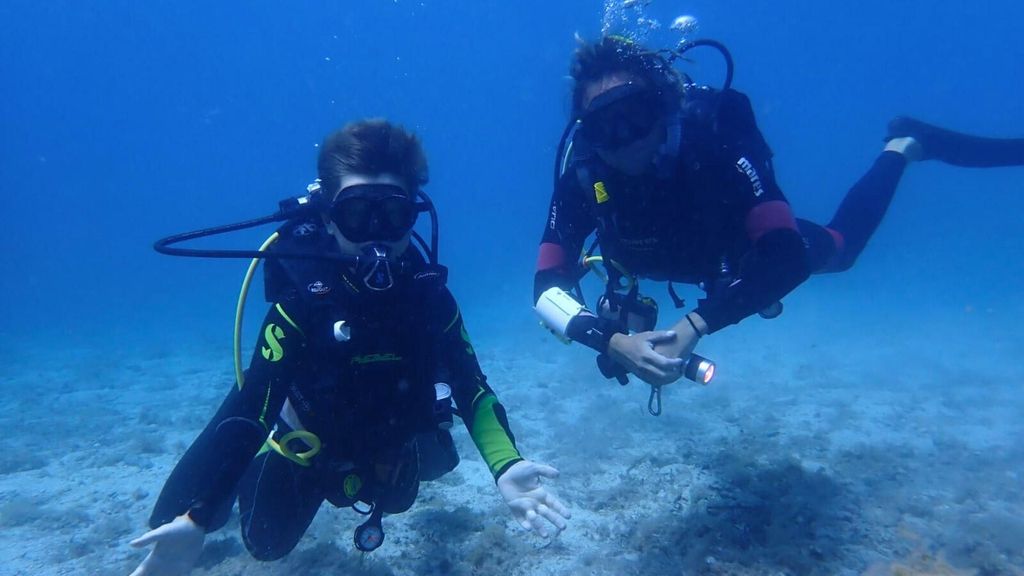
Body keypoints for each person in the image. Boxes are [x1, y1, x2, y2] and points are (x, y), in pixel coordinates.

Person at [130, 119, 570, 575]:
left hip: (384, 439)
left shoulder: (429, 299)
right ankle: (259, 464)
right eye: (358, 214)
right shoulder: (303, 301)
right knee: (266, 542)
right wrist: (199, 515)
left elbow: (471, 386)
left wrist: (506, 466)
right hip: (310, 442)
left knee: (409, 488)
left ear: (413, 216)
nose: (377, 234)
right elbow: (254, 404)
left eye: (394, 214)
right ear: (327, 217)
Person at [534, 35, 1024, 395]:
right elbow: (545, 289)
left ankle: (903, 147)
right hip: (661, 266)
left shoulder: (715, 146)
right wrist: (612, 341)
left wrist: (697, 325)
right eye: (605, 127)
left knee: (840, 248)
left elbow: (786, 258)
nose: (626, 141)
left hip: (737, 252)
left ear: (663, 108)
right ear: (586, 133)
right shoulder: (581, 178)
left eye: (635, 116)